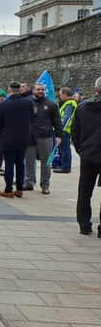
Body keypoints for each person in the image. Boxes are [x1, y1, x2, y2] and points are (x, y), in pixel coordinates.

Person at [72, 77, 101, 237]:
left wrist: (81, 150)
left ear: (95, 89)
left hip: (88, 154)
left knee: (84, 191)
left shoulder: (82, 107)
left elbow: (75, 133)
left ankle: (84, 224)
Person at [0, 82, 33, 198]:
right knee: (20, 163)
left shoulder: (3, 105)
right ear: (19, 90)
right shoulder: (28, 103)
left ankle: (8, 189)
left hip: (8, 137)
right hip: (23, 137)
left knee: (9, 164)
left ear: (9, 90)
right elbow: (32, 118)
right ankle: (20, 188)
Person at [23, 83, 63, 194]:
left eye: (42, 89)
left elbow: (57, 121)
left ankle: (45, 185)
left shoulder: (51, 105)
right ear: (33, 90)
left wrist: (59, 136)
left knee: (46, 163)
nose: (40, 91)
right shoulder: (27, 103)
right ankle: (28, 182)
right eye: (38, 89)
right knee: (29, 161)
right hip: (29, 137)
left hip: (46, 137)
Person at [53, 87, 78, 174]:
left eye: (60, 95)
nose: (59, 96)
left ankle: (65, 167)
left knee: (65, 149)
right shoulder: (68, 103)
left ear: (64, 94)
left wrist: (60, 128)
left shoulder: (69, 103)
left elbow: (66, 117)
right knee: (63, 149)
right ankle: (64, 165)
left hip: (64, 130)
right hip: (64, 129)